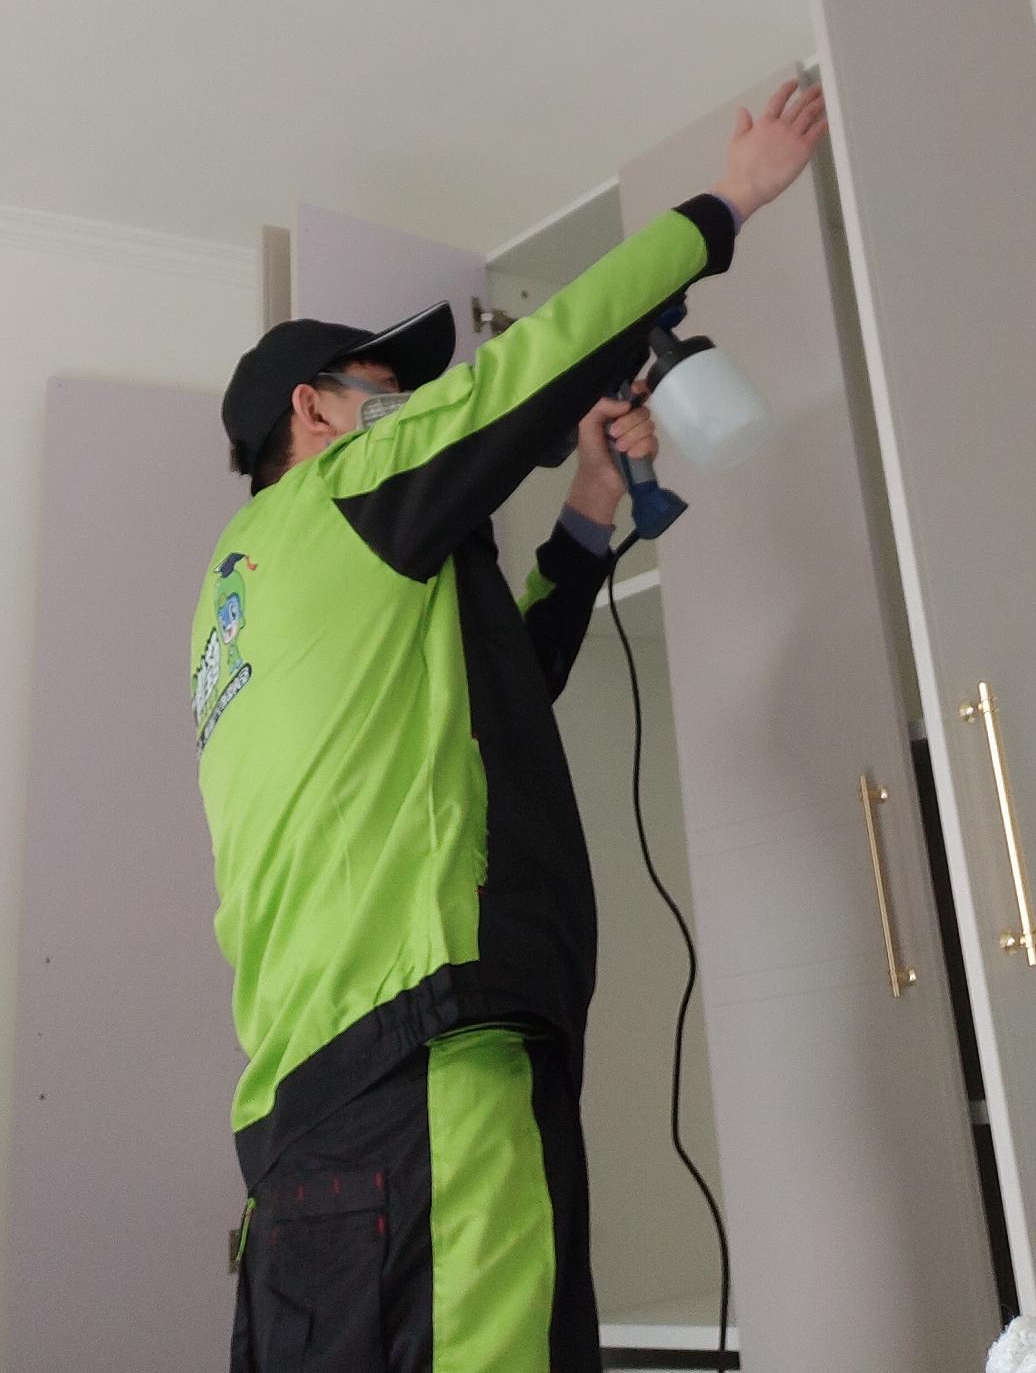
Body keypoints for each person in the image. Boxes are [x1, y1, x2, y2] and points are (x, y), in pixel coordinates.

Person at [192, 79, 827, 1373]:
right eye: (385, 388)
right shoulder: (347, 491)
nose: (407, 410)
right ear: (314, 410)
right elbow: (534, 367)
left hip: (310, 1134)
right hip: (427, 1067)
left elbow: (485, 711)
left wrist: (589, 513)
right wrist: (728, 203)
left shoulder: (242, 601)